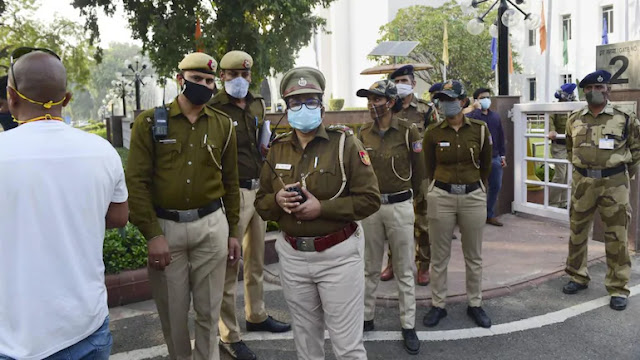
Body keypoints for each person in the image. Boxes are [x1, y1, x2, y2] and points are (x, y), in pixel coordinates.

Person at [0, 48, 128, 359]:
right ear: (67, 99)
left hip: (13, 338)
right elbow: (119, 216)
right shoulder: (103, 151)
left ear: (11, 97)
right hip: (86, 326)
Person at [255, 67, 380, 360]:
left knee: (347, 347)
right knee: (306, 343)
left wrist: (321, 208)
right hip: (293, 256)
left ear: (322, 106)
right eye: (296, 103)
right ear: (287, 108)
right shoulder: (278, 150)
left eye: (311, 101)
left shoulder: (345, 144)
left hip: (338, 256)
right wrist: (278, 201)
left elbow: (370, 199)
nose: (304, 108)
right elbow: (261, 202)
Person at [126, 52, 241, 360]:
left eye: (209, 80)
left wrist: (233, 231)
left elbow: (231, 183)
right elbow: (136, 183)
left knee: (208, 311)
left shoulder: (223, 125)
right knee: (174, 317)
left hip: (212, 226)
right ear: (180, 80)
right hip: (168, 230)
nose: (204, 85)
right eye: (197, 80)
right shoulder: (149, 122)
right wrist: (153, 234)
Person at [209, 50, 290, 360]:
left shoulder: (256, 103)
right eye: (233, 75)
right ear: (223, 77)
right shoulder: (214, 108)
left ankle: (256, 315)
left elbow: (260, 141)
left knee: (256, 260)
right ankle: (229, 334)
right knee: (230, 266)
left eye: (245, 75)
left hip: (258, 190)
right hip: (230, 194)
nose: (240, 80)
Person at [563, 70, 640, 311]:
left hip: (614, 182)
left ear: (608, 89)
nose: (594, 92)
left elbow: (636, 149)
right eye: (589, 89)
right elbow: (569, 148)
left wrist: (627, 173)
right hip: (583, 182)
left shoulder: (625, 117)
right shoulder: (574, 118)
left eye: (599, 88)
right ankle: (578, 276)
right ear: (583, 91)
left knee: (617, 235)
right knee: (577, 231)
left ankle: (618, 287)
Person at [357, 80, 423, 355]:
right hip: (371, 209)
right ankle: (365, 318)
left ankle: (408, 324)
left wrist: (410, 201)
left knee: (405, 269)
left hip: (399, 206)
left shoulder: (409, 132)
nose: (373, 104)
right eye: (370, 99)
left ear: (391, 102)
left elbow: (420, 174)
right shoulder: (362, 134)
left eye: (378, 99)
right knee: (369, 267)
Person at [422, 80, 493, 329]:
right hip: (441, 196)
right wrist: (436, 189)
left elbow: (486, 165)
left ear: (463, 102)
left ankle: (475, 303)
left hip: (473, 197)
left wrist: (479, 187)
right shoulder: (433, 132)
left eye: (451, 100)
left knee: (473, 255)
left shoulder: (480, 129)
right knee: (439, 256)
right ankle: (438, 304)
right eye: (442, 100)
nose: (445, 105)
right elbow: (428, 166)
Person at [381, 65, 437, 286]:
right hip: (396, 177)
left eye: (405, 80)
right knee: (394, 223)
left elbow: (434, 142)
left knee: (422, 223)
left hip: (421, 176)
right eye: (397, 82)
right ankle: (392, 263)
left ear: (413, 83)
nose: (401, 85)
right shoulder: (389, 108)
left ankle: (423, 266)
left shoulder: (425, 110)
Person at [466, 87, 506, 227]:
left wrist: (503, 155)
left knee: (495, 186)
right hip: (476, 159)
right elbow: (472, 126)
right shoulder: (471, 116)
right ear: (475, 100)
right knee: (475, 188)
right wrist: (476, 110)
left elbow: (500, 136)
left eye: (488, 97)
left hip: (494, 157)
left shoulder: (495, 116)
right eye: (482, 98)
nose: (486, 100)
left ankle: (489, 214)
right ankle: (474, 216)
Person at [548, 83, 577, 208]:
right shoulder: (555, 106)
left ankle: (563, 202)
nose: (572, 96)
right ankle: (552, 203)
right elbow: (550, 119)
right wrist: (551, 130)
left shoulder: (575, 105)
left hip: (571, 146)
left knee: (568, 175)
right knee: (560, 175)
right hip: (559, 145)